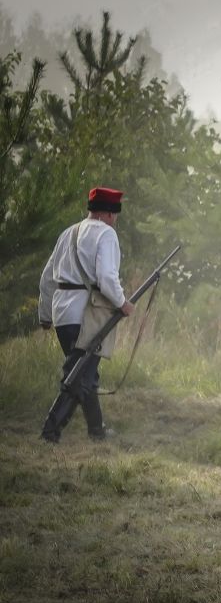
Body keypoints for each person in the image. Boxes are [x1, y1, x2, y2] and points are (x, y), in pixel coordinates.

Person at [38, 187, 135, 442]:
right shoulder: (106, 234)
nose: (115, 220)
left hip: (62, 314)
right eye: (114, 215)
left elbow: (47, 278)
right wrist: (122, 303)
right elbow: (107, 277)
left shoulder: (68, 233)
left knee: (84, 372)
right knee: (79, 377)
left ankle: (97, 431)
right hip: (85, 314)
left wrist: (45, 315)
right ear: (108, 214)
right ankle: (50, 432)